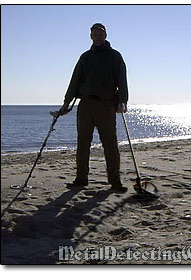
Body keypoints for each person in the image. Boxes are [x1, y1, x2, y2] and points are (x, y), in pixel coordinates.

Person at [59, 23, 128, 193]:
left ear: (105, 35)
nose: (98, 37)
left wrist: (123, 101)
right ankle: (81, 178)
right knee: (83, 143)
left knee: (110, 144)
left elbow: (122, 81)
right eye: (95, 34)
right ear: (91, 36)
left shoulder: (115, 56)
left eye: (100, 34)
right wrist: (66, 103)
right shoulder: (85, 57)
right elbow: (75, 80)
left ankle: (115, 180)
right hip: (86, 105)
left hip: (106, 105)